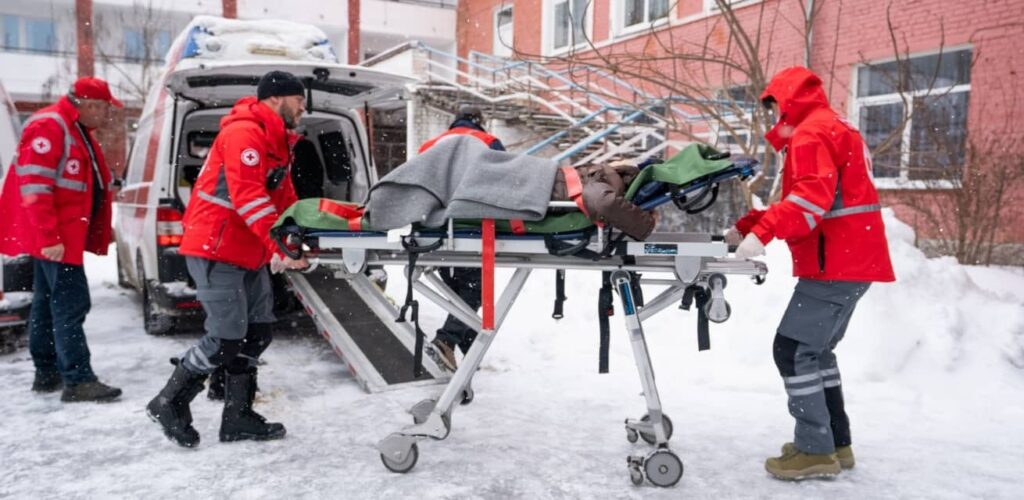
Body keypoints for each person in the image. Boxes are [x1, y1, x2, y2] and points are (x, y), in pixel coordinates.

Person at [726, 66, 895, 480]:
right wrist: (754, 223)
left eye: (774, 106)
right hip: (852, 257)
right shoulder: (833, 125)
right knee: (816, 352)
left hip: (837, 261)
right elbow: (821, 198)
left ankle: (814, 450)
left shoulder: (811, 134)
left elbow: (808, 203)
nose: (772, 117)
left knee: (792, 349)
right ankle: (835, 442)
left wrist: (764, 232)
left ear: (788, 100)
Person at [147, 71, 309, 448]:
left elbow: (284, 201)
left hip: (246, 250)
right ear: (276, 99)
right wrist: (279, 246)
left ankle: (238, 417)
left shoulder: (279, 141)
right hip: (216, 247)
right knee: (224, 339)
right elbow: (248, 196)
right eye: (298, 99)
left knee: (258, 332)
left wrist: (302, 237)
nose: (303, 107)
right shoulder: (243, 133)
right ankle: (168, 402)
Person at [0, 77, 123, 403]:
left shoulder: (74, 129)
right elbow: (35, 188)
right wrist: (49, 237)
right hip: (56, 239)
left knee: (45, 303)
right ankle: (78, 379)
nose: (107, 115)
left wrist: (98, 227)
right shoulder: (51, 126)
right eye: (106, 108)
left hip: (63, 235)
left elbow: (85, 184)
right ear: (90, 105)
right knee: (71, 304)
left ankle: (48, 372)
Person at [419, 105, 505, 371]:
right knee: (473, 290)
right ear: (480, 121)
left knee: (458, 291)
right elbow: (504, 181)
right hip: (472, 223)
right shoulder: (489, 142)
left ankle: (466, 350)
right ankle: (447, 340)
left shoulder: (431, 144)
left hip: (435, 225)